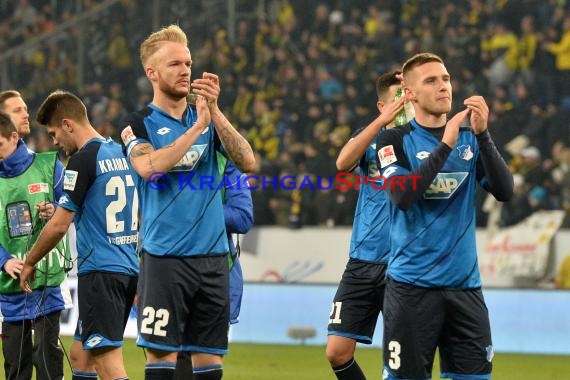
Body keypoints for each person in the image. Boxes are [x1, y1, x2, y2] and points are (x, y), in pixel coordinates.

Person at [119, 24, 255, 380]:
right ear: (152, 72)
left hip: (212, 260)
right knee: (161, 360)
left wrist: (214, 113)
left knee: (210, 362)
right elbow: (149, 168)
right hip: (164, 258)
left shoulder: (207, 118)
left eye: (188, 63)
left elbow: (248, 161)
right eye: (174, 64)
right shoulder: (138, 123)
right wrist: (196, 130)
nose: (185, 71)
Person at [375, 52, 514, 380]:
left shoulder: (470, 139)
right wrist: (445, 145)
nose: (443, 87)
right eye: (431, 81)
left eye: (446, 79)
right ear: (410, 93)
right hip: (411, 290)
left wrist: (482, 135)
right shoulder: (394, 139)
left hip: (465, 290)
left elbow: (505, 191)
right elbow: (402, 196)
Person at [19, 90, 139, 380]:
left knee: (108, 364)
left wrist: (31, 261)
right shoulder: (119, 152)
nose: (54, 141)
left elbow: (60, 225)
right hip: (126, 269)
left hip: (100, 273)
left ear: (68, 124)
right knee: (81, 358)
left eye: (54, 133)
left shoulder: (84, 159)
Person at [325, 71, 407, 380]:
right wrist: (380, 123)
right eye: (398, 98)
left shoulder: (421, 138)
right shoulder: (369, 137)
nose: (404, 104)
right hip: (362, 259)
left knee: (400, 358)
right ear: (381, 104)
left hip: (403, 263)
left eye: (408, 97)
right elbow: (343, 162)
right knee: (337, 351)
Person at [0, 91, 71, 380]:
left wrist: (56, 209)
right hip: (10, 289)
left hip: (45, 285)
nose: (26, 114)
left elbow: (71, 205)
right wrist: (4, 259)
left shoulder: (48, 165)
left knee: (48, 363)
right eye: (18, 110)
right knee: (16, 369)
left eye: (26, 109)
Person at [174, 156, 254, 379]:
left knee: (200, 354)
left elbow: (243, 217)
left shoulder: (226, 162)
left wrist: (195, 209)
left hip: (215, 272)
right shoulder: (164, 152)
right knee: (176, 353)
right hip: (169, 268)